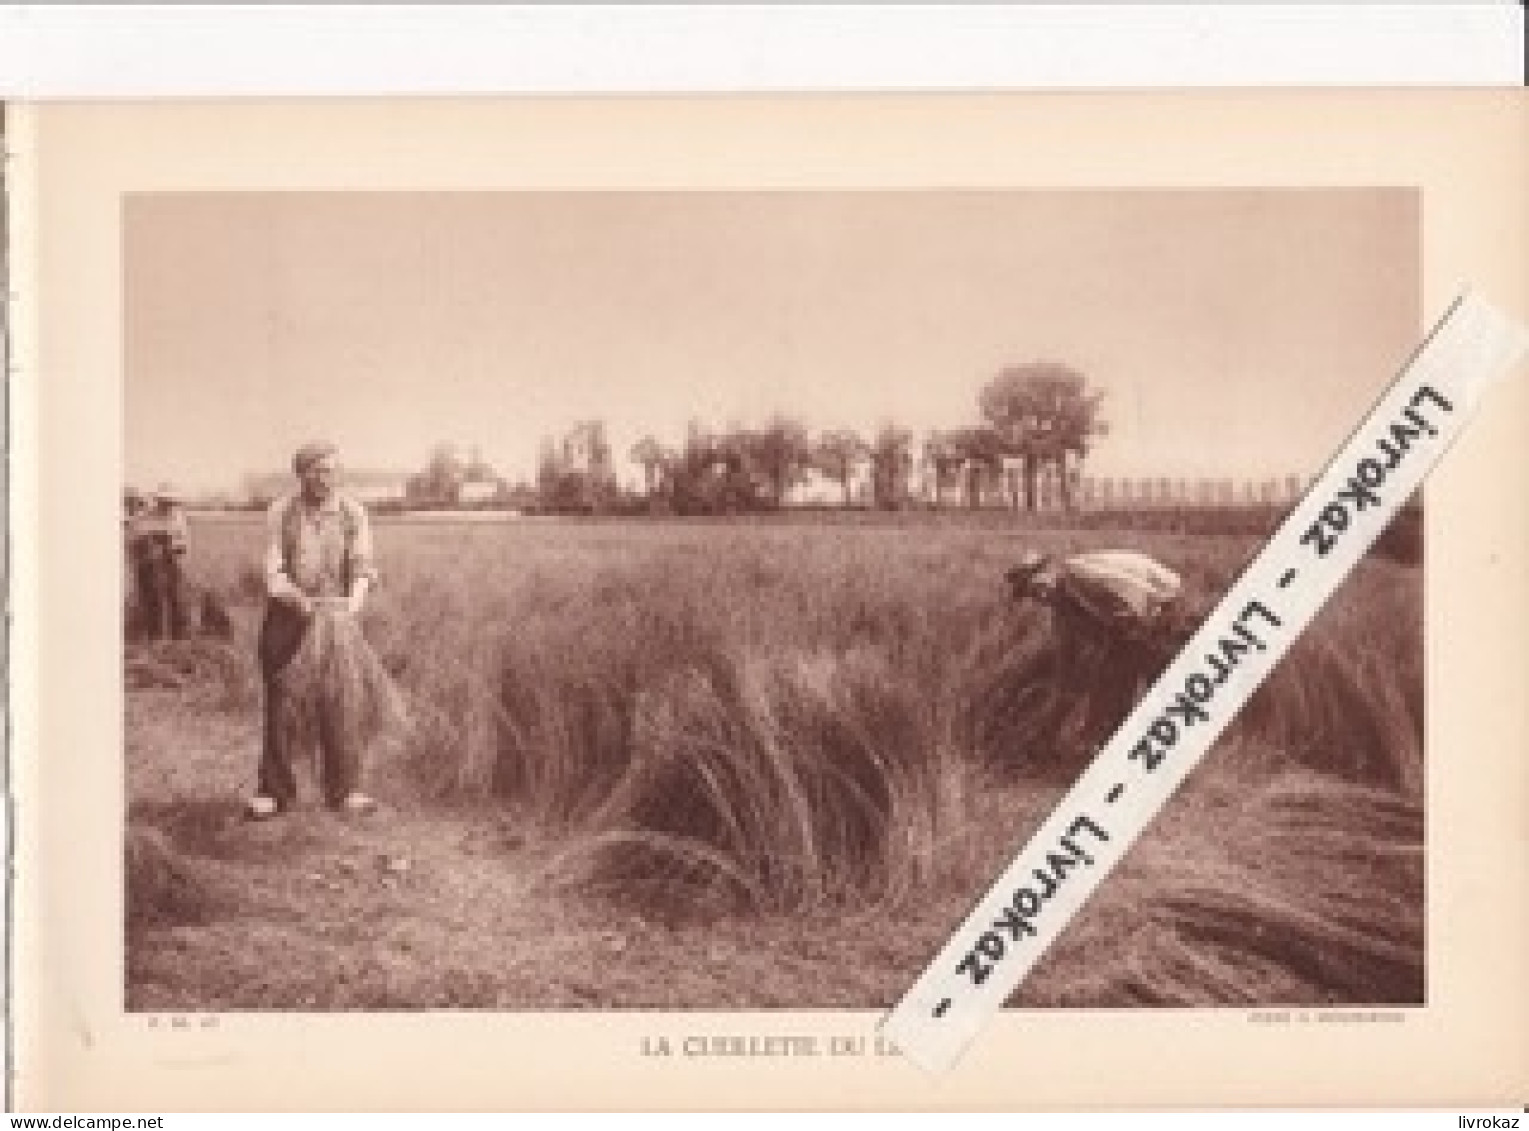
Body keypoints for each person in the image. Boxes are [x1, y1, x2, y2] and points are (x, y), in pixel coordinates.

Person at [247, 441, 379, 821]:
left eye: (332, 470)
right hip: (288, 617)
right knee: (280, 701)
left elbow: (363, 564)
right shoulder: (282, 512)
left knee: (339, 701)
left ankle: (344, 789)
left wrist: (352, 603)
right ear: (301, 474)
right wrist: (299, 600)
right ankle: (273, 791)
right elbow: (274, 573)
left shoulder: (353, 512)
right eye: (318, 471)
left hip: (336, 619)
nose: (327, 478)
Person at [1004, 548, 1191, 764]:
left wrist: (1126, 638)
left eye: (1038, 585)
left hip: (1162, 601)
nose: (1040, 594)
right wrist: (1057, 711)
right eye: (1033, 594)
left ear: (1050, 570)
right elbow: (1068, 658)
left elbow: (1136, 596)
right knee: (1112, 675)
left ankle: (1156, 751)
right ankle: (1112, 746)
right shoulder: (1062, 608)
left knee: (1146, 678)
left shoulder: (1082, 574)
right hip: (1133, 620)